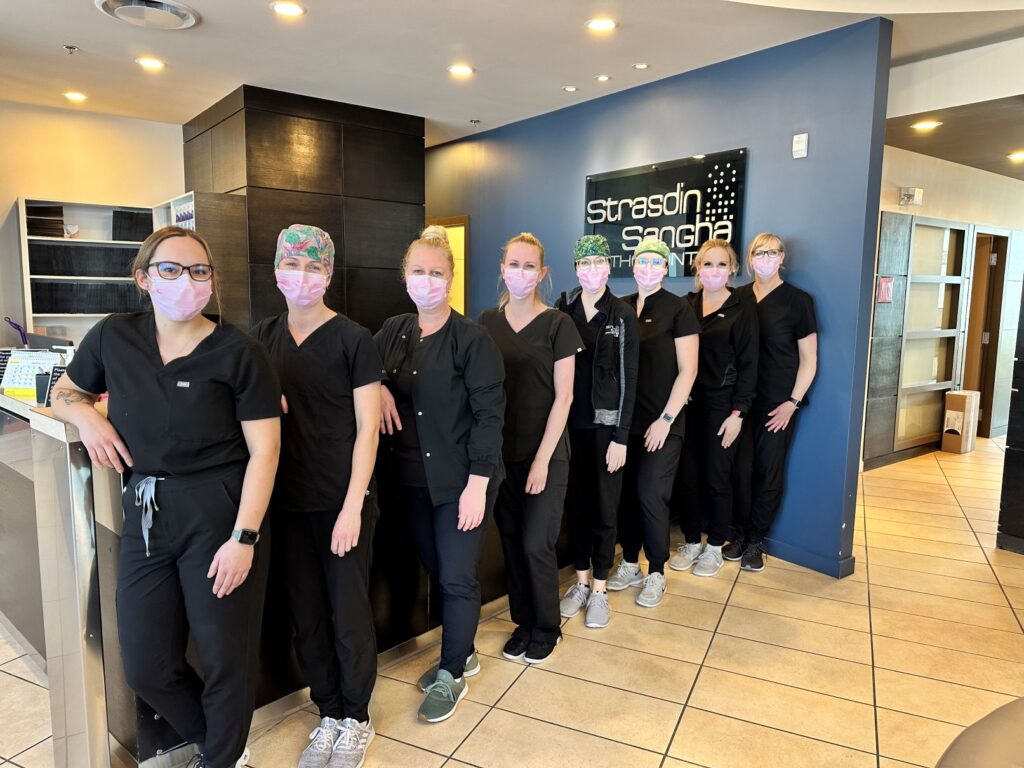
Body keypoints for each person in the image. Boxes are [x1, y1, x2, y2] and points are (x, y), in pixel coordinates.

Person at [51, 226, 281, 768]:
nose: (186, 281)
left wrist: (243, 538)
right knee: (146, 665)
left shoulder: (239, 352)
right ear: (143, 278)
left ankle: (222, 758)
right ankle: (220, 743)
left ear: (211, 281)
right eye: (171, 269)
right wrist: (84, 414)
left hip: (221, 512)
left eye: (199, 271)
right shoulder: (114, 336)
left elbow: (266, 452)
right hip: (147, 513)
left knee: (226, 655)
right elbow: (64, 391)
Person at [251, 225, 384, 768]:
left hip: (342, 502)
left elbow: (368, 430)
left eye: (313, 268)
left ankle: (357, 717)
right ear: (277, 269)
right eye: (292, 265)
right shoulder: (262, 337)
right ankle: (328, 708)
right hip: (286, 502)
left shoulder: (355, 340)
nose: (301, 277)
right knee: (306, 613)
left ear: (328, 275)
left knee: (347, 612)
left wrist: (353, 506)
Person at [374, 225, 505, 723]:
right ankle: (465, 648)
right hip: (408, 482)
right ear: (404, 277)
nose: (426, 281)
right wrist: (380, 389)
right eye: (417, 272)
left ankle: (453, 671)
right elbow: (361, 370)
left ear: (451, 278)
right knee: (434, 563)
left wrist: (478, 485)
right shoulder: (393, 330)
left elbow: (491, 417)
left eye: (436, 273)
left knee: (455, 576)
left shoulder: (472, 339)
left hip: (461, 483)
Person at [479, 233, 582, 664]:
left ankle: (547, 625)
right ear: (502, 269)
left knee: (537, 543)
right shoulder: (486, 323)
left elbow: (565, 397)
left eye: (530, 266)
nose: (521, 273)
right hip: (502, 456)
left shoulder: (559, 324)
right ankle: (524, 620)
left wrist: (542, 460)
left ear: (542, 273)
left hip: (547, 455)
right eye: (514, 264)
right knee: (512, 540)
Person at [608, 238, 699, 605]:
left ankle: (656, 571)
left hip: (663, 423)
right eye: (641, 262)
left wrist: (665, 419)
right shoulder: (622, 307)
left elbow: (688, 371)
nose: (648, 268)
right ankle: (630, 562)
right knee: (626, 496)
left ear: (666, 268)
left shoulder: (678, 310)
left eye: (655, 262)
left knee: (650, 494)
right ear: (632, 266)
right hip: (624, 423)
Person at [555, 234, 639, 628]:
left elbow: (629, 377)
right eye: (584, 265)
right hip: (571, 428)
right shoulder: (564, 310)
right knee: (577, 508)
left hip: (607, 431)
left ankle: (602, 589)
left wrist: (622, 436)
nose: (592, 272)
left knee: (606, 509)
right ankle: (582, 581)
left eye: (598, 264)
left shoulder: (621, 314)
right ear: (575, 269)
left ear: (609, 266)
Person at [669, 239, 758, 577]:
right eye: (708, 265)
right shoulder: (685, 306)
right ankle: (692, 539)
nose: (714, 271)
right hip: (687, 403)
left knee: (718, 477)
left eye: (721, 265)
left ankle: (715, 544)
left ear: (732, 269)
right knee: (687, 476)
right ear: (697, 269)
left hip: (723, 405)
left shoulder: (742, 308)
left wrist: (739, 414)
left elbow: (750, 366)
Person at [729, 233, 817, 571]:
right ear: (749, 259)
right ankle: (736, 532)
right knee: (740, 469)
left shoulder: (798, 301)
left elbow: (809, 359)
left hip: (777, 404)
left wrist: (792, 402)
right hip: (740, 401)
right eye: (758, 253)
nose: (764, 259)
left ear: (782, 258)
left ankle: (755, 539)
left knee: (768, 469)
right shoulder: (737, 298)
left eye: (771, 253)